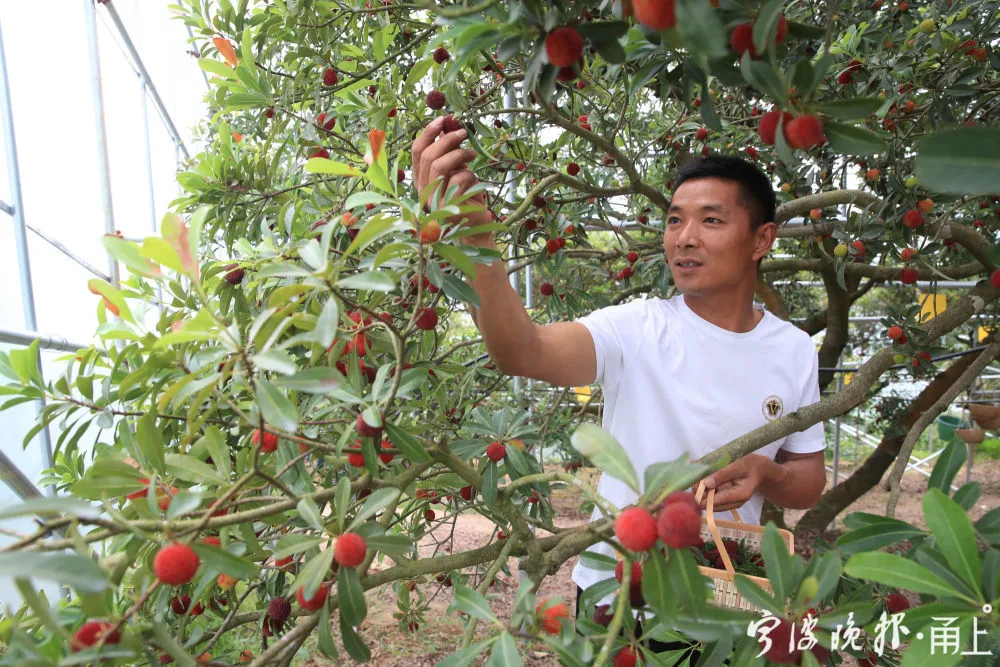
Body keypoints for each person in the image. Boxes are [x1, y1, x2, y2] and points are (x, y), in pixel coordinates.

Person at [410, 117, 827, 656]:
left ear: (762, 240)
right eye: (675, 220)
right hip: (620, 594)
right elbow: (522, 350)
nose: (685, 237)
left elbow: (808, 480)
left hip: (727, 596)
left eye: (712, 220)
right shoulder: (637, 328)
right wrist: (476, 240)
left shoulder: (792, 349)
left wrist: (768, 473)